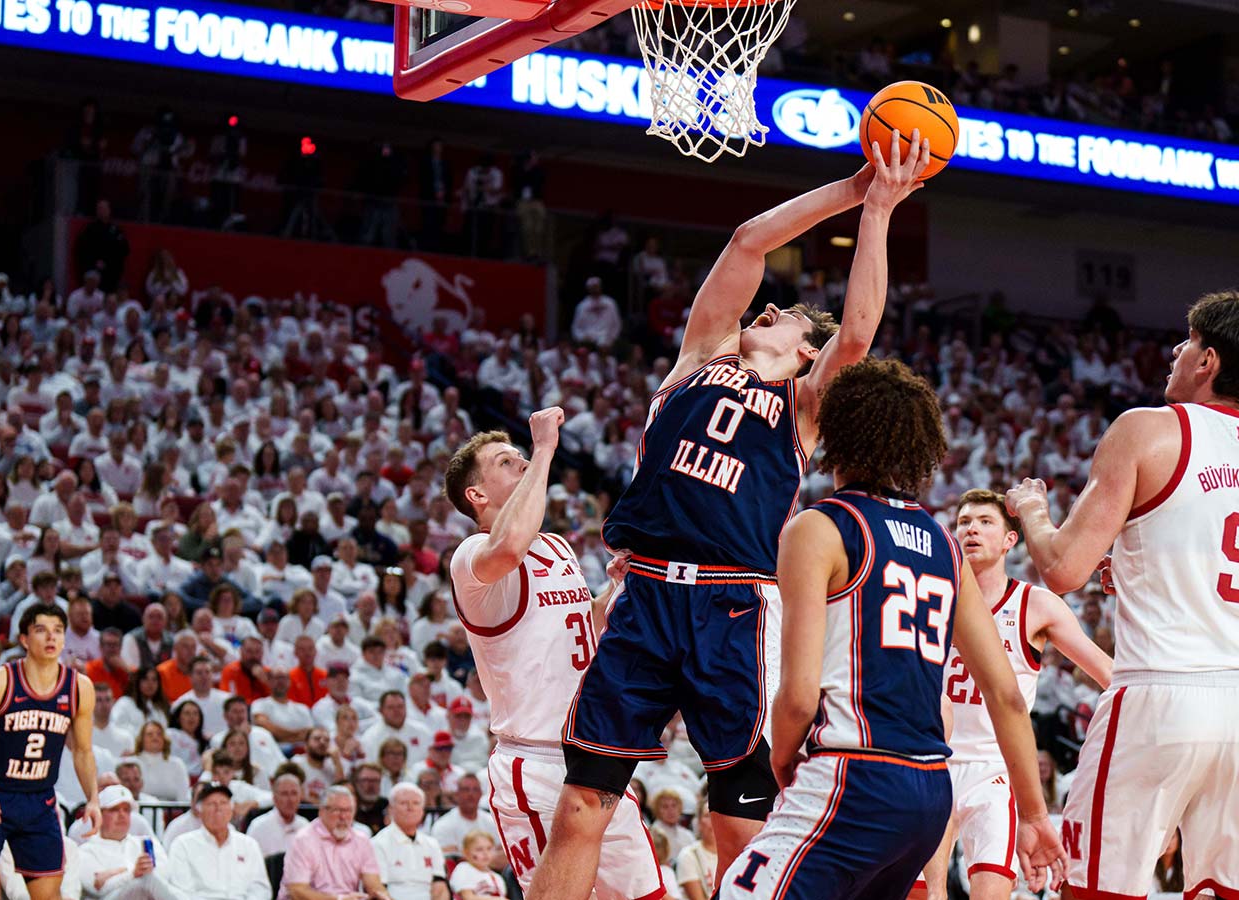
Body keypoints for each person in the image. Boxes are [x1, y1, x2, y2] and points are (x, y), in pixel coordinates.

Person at [532, 135, 930, 898]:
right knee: (582, 803)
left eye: (783, 316)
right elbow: (749, 240)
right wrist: (850, 189)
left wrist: (878, 212)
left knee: (741, 830)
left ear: (805, 353)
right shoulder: (700, 356)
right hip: (645, 597)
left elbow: (856, 333)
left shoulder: (806, 406)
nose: (768, 307)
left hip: (733, 610)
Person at [716, 357, 1065, 897]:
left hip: (851, 774)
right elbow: (1007, 695)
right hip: (928, 790)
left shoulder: (818, 527)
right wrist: (1037, 814)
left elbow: (799, 695)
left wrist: (782, 762)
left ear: (836, 430)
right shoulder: (945, 546)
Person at [1005, 290, 1239, 898]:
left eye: (1189, 341)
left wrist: (1033, 512)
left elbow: (1064, 568)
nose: (1178, 350)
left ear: (1208, 362)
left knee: (1098, 888)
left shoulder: (1145, 428)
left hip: (1160, 692)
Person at [440, 412, 657, 898]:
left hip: (595, 752)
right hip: (536, 764)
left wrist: (614, 588)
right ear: (477, 495)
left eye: (520, 455)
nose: (519, 460)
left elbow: (584, 624)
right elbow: (509, 544)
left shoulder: (556, 545)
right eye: (505, 460)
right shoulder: (472, 556)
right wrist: (542, 449)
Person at [917, 489, 1112, 900]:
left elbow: (1107, 674)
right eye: (964, 522)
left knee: (990, 891)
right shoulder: (929, 597)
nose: (972, 529)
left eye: (985, 522)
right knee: (922, 893)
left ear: (1010, 540)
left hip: (996, 768)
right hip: (933, 760)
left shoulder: (1035, 604)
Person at [0, 602, 101, 900]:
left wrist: (94, 798)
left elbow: (83, 752)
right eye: (41, 630)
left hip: (39, 799)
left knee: (49, 895)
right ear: (24, 639)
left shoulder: (79, 687)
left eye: (58, 631)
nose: (51, 638)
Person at [166, 783, 273, 900]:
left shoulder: (248, 845)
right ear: (199, 810)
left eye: (223, 803)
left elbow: (260, 888)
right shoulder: (183, 845)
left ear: (231, 809)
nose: (218, 808)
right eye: (211, 804)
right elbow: (181, 892)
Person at [279, 786, 388, 900]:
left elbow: (373, 885)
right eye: (337, 810)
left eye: (348, 810)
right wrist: (338, 899)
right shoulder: (303, 840)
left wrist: (382, 896)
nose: (343, 816)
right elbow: (297, 891)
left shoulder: (362, 840)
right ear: (321, 811)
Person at [77, 784, 179, 900]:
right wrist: (133, 873)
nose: (122, 815)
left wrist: (116, 873)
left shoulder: (146, 842)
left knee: (148, 881)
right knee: (142, 882)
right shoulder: (85, 851)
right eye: (114, 810)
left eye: (126, 810)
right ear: (99, 815)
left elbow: (165, 875)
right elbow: (98, 888)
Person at [370, 784, 449, 900]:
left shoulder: (432, 844)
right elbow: (378, 890)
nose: (410, 808)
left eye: (416, 803)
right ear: (390, 809)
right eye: (403, 803)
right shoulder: (378, 843)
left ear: (422, 811)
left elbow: (440, 886)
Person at [429, 774, 499, 857]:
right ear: (457, 794)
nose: (471, 794)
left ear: (481, 794)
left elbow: (504, 853)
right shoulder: (443, 824)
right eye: (466, 789)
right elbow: (447, 859)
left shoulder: (492, 821)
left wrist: (464, 854)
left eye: (475, 789)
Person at [246, 771, 311, 855]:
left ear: (300, 797)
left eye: (294, 793)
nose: (290, 800)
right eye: (284, 794)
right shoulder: (258, 827)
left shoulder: (305, 826)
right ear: (274, 798)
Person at [672, 801, 717, 900]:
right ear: (699, 823)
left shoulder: (737, 853)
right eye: (707, 815)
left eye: (717, 815)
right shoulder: (689, 855)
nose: (713, 820)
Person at [448, 832, 507, 899]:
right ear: (466, 853)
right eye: (479, 849)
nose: (485, 853)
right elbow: (468, 897)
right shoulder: (463, 869)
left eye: (489, 848)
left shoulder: (497, 877)